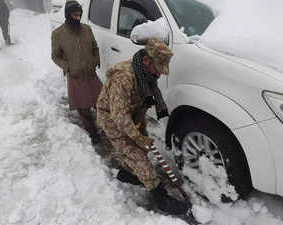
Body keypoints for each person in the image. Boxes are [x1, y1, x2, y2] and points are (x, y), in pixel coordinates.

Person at [96, 38, 189, 215]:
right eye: (158, 69)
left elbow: (138, 104)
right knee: (138, 156)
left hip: (132, 116)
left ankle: (127, 173)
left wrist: (141, 132)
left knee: (141, 149)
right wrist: (138, 137)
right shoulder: (123, 78)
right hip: (112, 119)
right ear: (147, 60)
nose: (160, 75)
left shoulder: (146, 76)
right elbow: (119, 115)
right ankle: (160, 197)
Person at [51, 0, 102, 144]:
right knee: (83, 108)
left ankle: (106, 127)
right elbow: (55, 56)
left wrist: (96, 60)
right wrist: (68, 67)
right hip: (75, 76)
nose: (78, 17)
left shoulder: (87, 29)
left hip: (91, 74)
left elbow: (95, 47)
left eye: (80, 14)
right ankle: (93, 133)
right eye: (75, 14)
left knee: (101, 103)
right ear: (68, 15)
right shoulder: (58, 34)